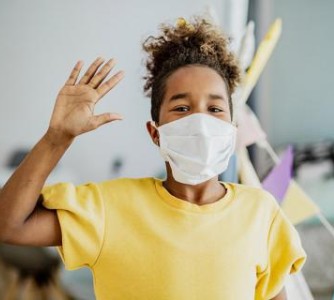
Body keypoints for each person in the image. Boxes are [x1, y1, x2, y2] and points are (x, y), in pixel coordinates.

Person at [0, 16, 306, 299]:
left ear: (232, 128)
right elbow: (9, 225)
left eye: (214, 109)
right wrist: (57, 138)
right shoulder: (110, 209)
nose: (200, 123)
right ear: (155, 132)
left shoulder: (261, 214)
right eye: (182, 108)